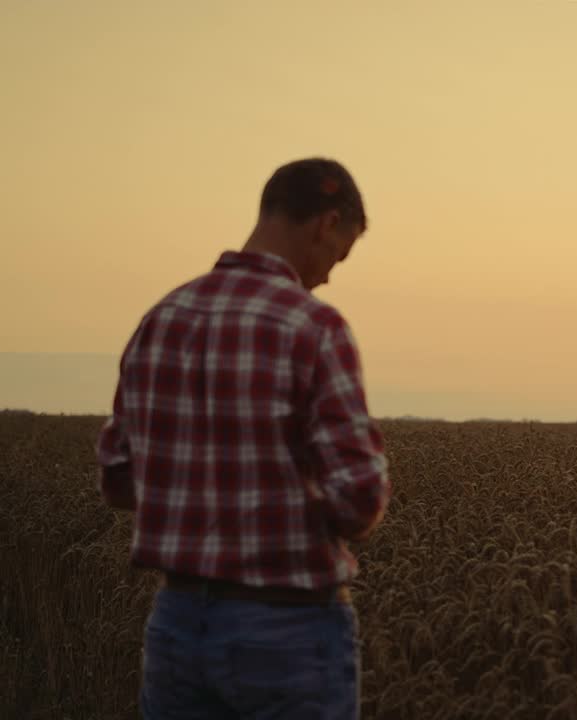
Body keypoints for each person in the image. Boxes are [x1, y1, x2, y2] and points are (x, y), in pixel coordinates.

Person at [95, 157, 392, 719]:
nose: (329, 274)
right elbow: (359, 499)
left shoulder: (161, 319)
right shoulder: (313, 328)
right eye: (339, 253)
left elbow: (116, 479)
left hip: (177, 626)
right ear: (325, 224)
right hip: (287, 633)